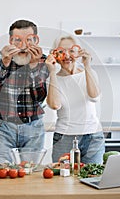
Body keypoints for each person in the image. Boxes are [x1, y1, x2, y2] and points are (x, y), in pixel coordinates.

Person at [0, 19, 49, 164]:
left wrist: (34, 67)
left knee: (30, 180)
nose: (23, 46)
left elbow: (39, 98)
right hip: (3, 128)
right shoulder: (0, 57)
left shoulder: (42, 60)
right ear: (10, 41)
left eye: (28, 40)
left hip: (33, 129)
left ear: (35, 40)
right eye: (18, 40)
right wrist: (5, 64)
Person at [45, 35, 105, 164]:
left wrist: (87, 66)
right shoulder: (52, 79)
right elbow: (55, 105)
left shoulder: (90, 73)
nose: (67, 55)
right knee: (62, 181)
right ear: (55, 55)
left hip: (93, 137)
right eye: (61, 51)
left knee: (92, 179)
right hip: (64, 138)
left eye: (71, 50)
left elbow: (94, 97)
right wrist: (52, 72)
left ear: (78, 52)